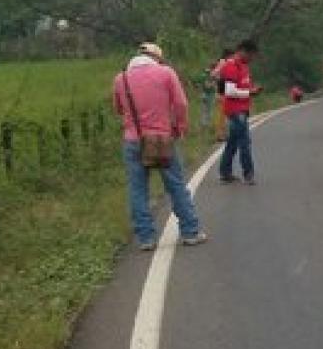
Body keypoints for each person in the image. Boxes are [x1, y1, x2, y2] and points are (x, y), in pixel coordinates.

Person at [112, 42, 207, 251]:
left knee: (137, 189)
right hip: (163, 138)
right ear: (157, 58)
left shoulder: (121, 78)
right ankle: (190, 232)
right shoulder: (166, 73)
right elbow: (181, 104)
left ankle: (146, 238)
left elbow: (118, 108)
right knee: (175, 185)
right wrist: (179, 127)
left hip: (133, 140)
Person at [218, 38, 263, 185]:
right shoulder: (231, 66)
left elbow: (242, 86)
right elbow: (229, 91)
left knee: (233, 142)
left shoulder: (244, 66)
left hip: (242, 109)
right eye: (251, 55)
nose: (252, 59)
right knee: (244, 142)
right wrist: (250, 93)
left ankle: (225, 172)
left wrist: (251, 91)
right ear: (243, 51)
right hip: (235, 110)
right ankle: (248, 173)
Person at [210, 47, 232, 141]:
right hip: (222, 92)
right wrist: (220, 77)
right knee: (223, 116)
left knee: (225, 115)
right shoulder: (223, 62)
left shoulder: (225, 62)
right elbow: (213, 74)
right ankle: (220, 135)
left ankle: (224, 134)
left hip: (224, 92)